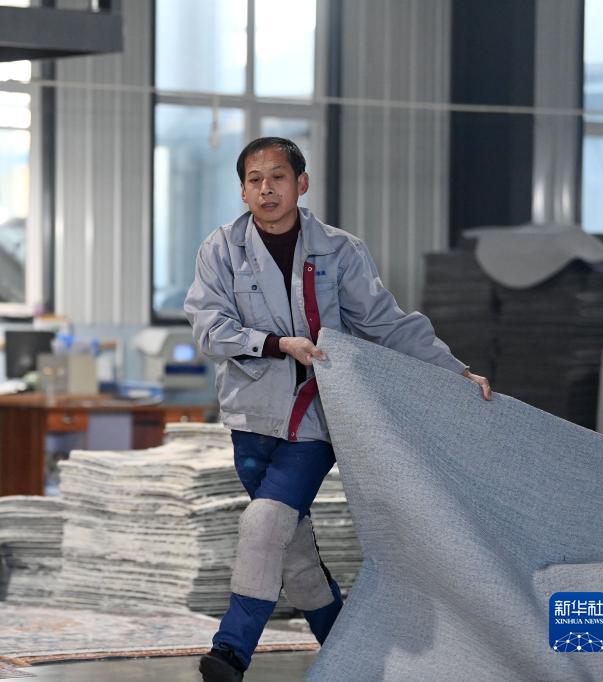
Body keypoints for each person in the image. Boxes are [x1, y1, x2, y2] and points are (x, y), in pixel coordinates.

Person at [184, 137, 491, 682]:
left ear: (301, 184)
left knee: (264, 523)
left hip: (317, 418)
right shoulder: (221, 250)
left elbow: (385, 322)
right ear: (243, 191)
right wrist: (277, 343)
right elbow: (209, 329)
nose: (266, 189)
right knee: (294, 553)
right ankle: (352, 651)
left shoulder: (339, 250)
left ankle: (230, 652)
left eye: (278, 177)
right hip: (250, 418)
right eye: (255, 180)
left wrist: (454, 371)